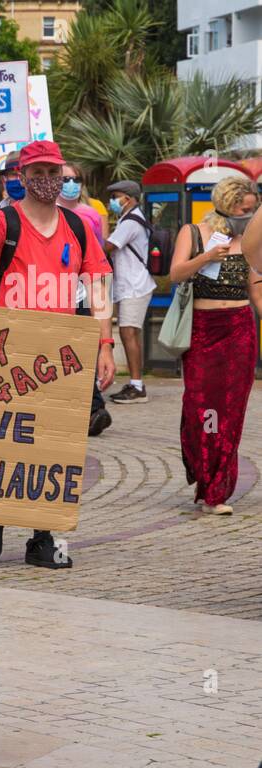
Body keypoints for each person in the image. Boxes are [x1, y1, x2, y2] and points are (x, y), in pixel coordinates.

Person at [0, 140, 116, 569]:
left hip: (62, 355)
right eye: (39, 173)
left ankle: (41, 537)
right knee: (3, 439)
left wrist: (105, 343)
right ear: (21, 177)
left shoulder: (79, 227)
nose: (49, 181)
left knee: (52, 449)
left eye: (55, 174)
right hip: (6, 353)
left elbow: (98, 286)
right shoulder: (3, 220)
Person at [171, 175, 259, 516]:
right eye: (243, 209)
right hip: (203, 331)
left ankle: (216, 490)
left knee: (231, 413)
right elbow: (176, 273)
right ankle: (202, 466)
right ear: (225, 204)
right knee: (202, 409)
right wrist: (206, 257)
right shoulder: (193, 232)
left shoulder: (250, 241)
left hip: (239, 331)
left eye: (253, 210)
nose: (247, 216)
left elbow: (256, 292)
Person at [103, 180, 158, 404]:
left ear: (129, 198)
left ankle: (137, 385)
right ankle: (136, 383)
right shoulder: (129, 218)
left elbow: (108, 247)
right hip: (131, 285)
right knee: (130, 333)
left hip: (135, 286)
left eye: (116, 196)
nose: (113, 201)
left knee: (128, 332)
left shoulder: (131, 222)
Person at [58, 162, 105, 246]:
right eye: (65, 179)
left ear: (82, 183)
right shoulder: (47, 212)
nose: (71, 183)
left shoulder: (92, 214)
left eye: (77, 179)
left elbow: (98, 247)